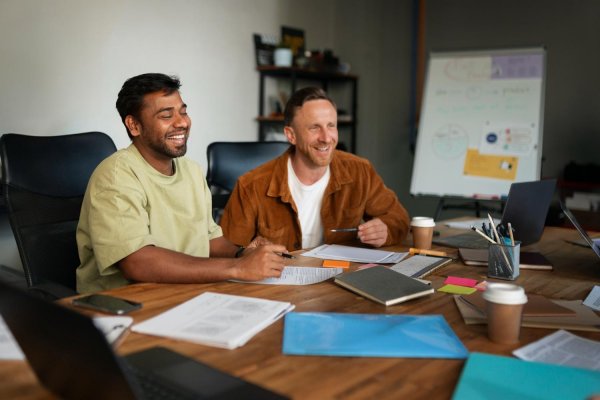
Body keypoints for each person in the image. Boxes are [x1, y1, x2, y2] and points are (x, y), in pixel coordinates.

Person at [76, 73, 287, 293]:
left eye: (183, 112)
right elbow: (137, 262)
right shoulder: (116, 176)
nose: (182, 122)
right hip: (124, 307)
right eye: (166, 115)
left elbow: (209, 240)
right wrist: (237, 267)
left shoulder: (192, 171)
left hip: (185, 295)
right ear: (134, 125)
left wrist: (244, 252)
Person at [221, 86, 410, 251]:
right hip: (278, 287)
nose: (326, 138)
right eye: (314, 128)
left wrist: (386, 229)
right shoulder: (251, 186)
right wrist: (249, 252)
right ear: (291, 135)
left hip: (340, 281)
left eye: (331, 126)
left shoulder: (360, 171)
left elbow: (399, 219)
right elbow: (226, 250)